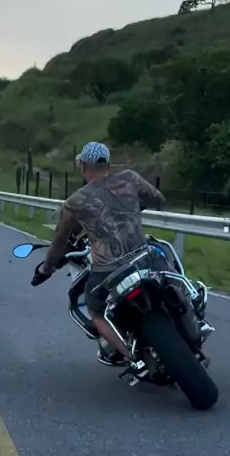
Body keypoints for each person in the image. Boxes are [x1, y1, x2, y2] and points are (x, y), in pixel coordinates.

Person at [34, 141, 165, 365]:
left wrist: (46, 269)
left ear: (82, 165)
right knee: (169, 274)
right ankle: (192, 313)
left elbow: (59, 242)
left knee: (96, 311)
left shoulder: (74, 203)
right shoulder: (130, 179)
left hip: (108, 269)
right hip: (141, 255)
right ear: (108, 165)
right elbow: (158, 199)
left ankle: (132, 358)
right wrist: (133, 205)